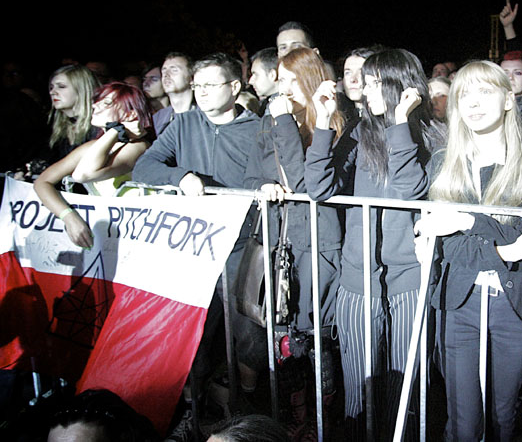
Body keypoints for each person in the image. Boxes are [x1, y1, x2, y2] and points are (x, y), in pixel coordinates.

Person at [305, 48, 445, 440]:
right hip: (357, 282)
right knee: (359, 394)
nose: (367, 90)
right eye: (365, 82)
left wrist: (400, 121)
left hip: (408, 283)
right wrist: (320, 124)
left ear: (404, 84)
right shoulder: (357, 131)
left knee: (404, 396)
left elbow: (407, 190)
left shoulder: (432, 135)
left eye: (376, 81)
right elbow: (318, 188)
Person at [416, 60, 522, 441]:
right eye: (464, 94)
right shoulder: (443, 164)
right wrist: (507, 250)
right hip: (459, 304)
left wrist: (465, 221)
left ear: (508, 100)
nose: (473, 103)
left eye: (485, 91)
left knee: (503, 418)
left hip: (515, 307)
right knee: (463, 420)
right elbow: (451, 251)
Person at [132, 52, 261, 435]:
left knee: (249, 338)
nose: (201, 93)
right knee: (195, 338)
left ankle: (249, 419)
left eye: (210, 85)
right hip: (197, 249)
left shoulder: (259, 127)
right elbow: (144, 167)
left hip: (244, 247)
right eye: (197, 85)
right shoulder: (183, 124)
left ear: (235, 87)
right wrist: (181, 175)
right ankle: (192, 417)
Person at [243, 47, 343, 438]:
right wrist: (262, 186)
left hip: (318, 245)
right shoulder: (271, 123)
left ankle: (325, 423)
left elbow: (304, 185)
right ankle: (296, 423)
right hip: (281, 244)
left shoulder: (332, 122)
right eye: (279, 80)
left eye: (289, 80)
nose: (281, 89)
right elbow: (251, 176)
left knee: (317, 339)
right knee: (287, 340)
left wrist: (285, 122)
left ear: (309, 79)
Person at [34, 81, 153, 248]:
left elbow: (83, 174)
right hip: (104, 235)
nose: (95, 106)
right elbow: (42, 182)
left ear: (130, 114)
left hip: (135, 236)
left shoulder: (138, 147)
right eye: (97, 101)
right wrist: (69, 217)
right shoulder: (92, 147)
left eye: (106, 103)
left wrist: (116, 131)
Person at [46, 64, 99, 160]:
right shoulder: (57, 126)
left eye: (61, 86)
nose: (52, 92)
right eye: (51, 87)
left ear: (81, 90)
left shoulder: (98, 126)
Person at [152, 52, 195, 136]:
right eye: (163, 71)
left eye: (174, 70)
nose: (166, 75)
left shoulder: (207, 116)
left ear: (191, 78)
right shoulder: (158, 119)